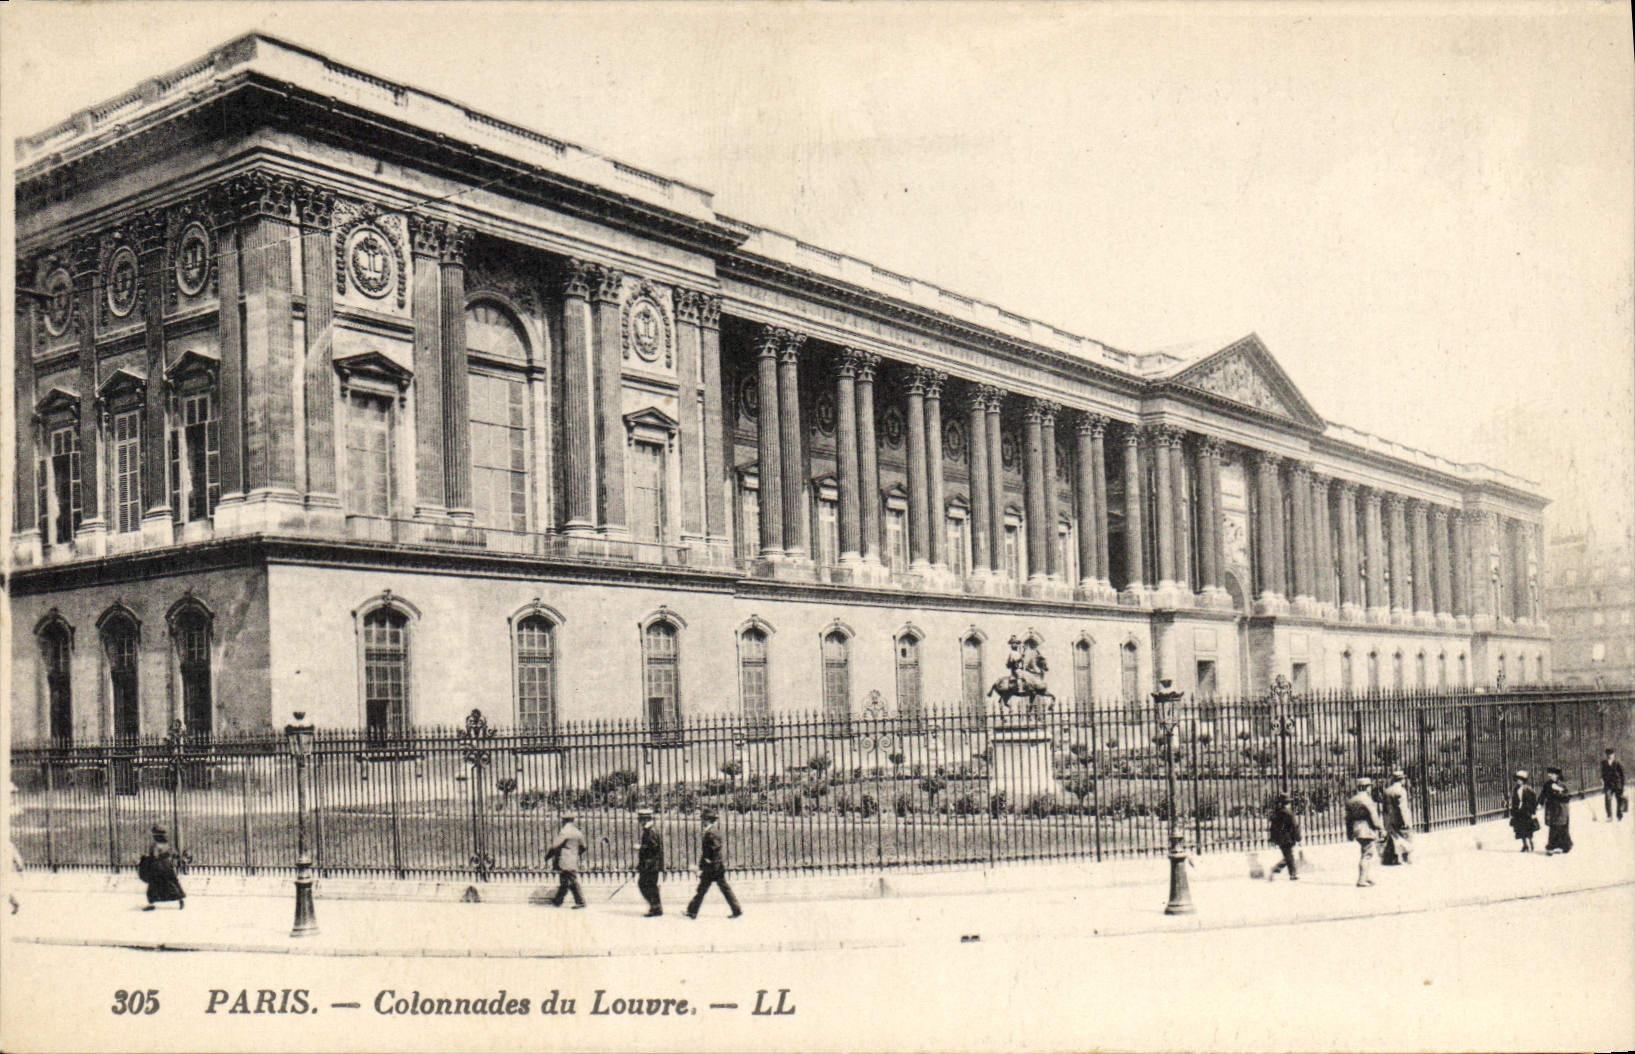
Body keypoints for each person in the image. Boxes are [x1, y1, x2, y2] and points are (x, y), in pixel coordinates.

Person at [684, 809, 742, 919]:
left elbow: (714, 850)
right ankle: (692, 911)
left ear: (708, 820)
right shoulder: (710, 831)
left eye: (703, 819)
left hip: (714, 868)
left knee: (708, 889)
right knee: (707, 889)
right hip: (713, 867)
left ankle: (692, 911)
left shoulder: (712, 832)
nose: (702, 821)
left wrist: (708, 864)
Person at [1344, 777, 1383, 887]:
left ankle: (1365, 876)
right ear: (1367, 788)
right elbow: (1374, 818)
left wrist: (1349, 832)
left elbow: (1348, 818)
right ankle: (1361, 880)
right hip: (1366, 830)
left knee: (1365, 852)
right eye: (1369, 786)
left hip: (1357, 829)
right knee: (1367, 854)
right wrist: (1381, 828)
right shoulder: (1367, 800)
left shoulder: (1351, 800)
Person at [544, 813, 588, 908]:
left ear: (563, 820)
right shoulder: (577, 832)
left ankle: (581, 902)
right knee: (566, 881)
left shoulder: (564, 832)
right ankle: (558, 901)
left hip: (564, 860)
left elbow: (554, 846)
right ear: (573, 820)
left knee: (571, 881)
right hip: (573, 859)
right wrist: (576, 853)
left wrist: (547, 857)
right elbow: (584, 847)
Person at [138, 824, 185, 910]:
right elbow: (170, 854)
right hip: (167, 866)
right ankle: (180, 899)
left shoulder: (155, 845)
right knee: (171, 883)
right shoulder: (166, 844)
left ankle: (151, 903)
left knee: (153, 886)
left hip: (157, 867)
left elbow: (155, 856)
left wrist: (145, 857)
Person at [635, 808, 664, 917]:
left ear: (644, 820)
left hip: (651, 864)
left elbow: (653, 848)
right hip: (650, 864)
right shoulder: (650, 830)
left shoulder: (651, 831)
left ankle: (655, 907)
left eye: (640, 820)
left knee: (644, 885)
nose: (639, 822)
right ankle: (656, 907)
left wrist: (640, 848)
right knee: (650, 886)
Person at [1267, 792, 1301, 881]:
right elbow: (1294, 826)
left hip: (1280, 839)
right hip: (1288, 838)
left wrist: (1272, 838)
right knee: (1290, 856)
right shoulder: (1289, 814)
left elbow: (1273, 827)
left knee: (1288, 856)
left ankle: (1277, 868)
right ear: (1288, 803)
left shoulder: (1277, 813)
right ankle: (1292, 874)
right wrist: (1298, 838)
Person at [1382, 769, 1414, 865]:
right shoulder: (1401, 791)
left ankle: (1394, 858)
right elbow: (1402, 807)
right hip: (1400, 818)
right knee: (1406, 837)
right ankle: (1405, 858)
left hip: (1390, 818)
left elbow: (1385, 808)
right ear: (1402, 779)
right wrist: (1405, 821)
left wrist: (1386, 821)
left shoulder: (1387, 791)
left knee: (1394, 837)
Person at [1540, 767, 1572, 855]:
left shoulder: (1562, 784)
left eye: (1552, 774)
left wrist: (1559, 790)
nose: (1550, 776)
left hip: (1561, 808)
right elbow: (1543, 794)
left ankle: (1556, 846)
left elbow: (1567, 796)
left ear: (1557, 775)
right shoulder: (1547, 784)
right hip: (1552, 808)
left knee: (1560, 826)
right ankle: (1561, 845)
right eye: (1549, 774)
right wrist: (1540, 803)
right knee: (1554, 826)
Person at [1507, 770, 1539, 852]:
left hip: (1527, 812)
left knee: (1528, 828)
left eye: (1520, 780)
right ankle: (1524, 844)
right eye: (1517, 780)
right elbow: (1514, 801)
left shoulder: (1528, 790)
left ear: (1524, 781)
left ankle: (1531, 842)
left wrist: (1533, 812)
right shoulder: (1515, 789)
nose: (1518, 781)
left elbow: (1533, 801)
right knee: (1520, 829)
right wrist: (1513, 812)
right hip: (1519, 812)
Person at [1601, 748, 1626, 822]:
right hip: (1608, 785)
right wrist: (1602, 782)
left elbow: (1622, 775)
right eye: (1608, 754)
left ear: (1613, 755)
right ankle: (1609, 816)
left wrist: (1623, 786)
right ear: (1606, 755)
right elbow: (1603, 773)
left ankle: (1619, 815)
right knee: (1607, 799)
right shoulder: (1603, 763)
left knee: (1619, 800)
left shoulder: (1617, 763)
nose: (1609, 756)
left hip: (1617, 784)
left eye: (1611, 754)